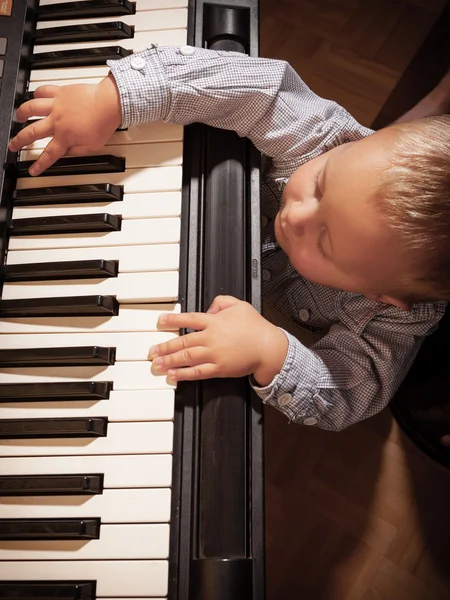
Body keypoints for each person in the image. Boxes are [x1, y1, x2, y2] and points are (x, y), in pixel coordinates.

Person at [9, 45, 450, 431]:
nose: (296, 213)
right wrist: (116, 97)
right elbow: (259, 87)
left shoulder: (395, 317)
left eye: (325, 243)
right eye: (319, 185)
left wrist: (269, 351)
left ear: (381, 294)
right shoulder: (329, 141)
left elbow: (352, 392)